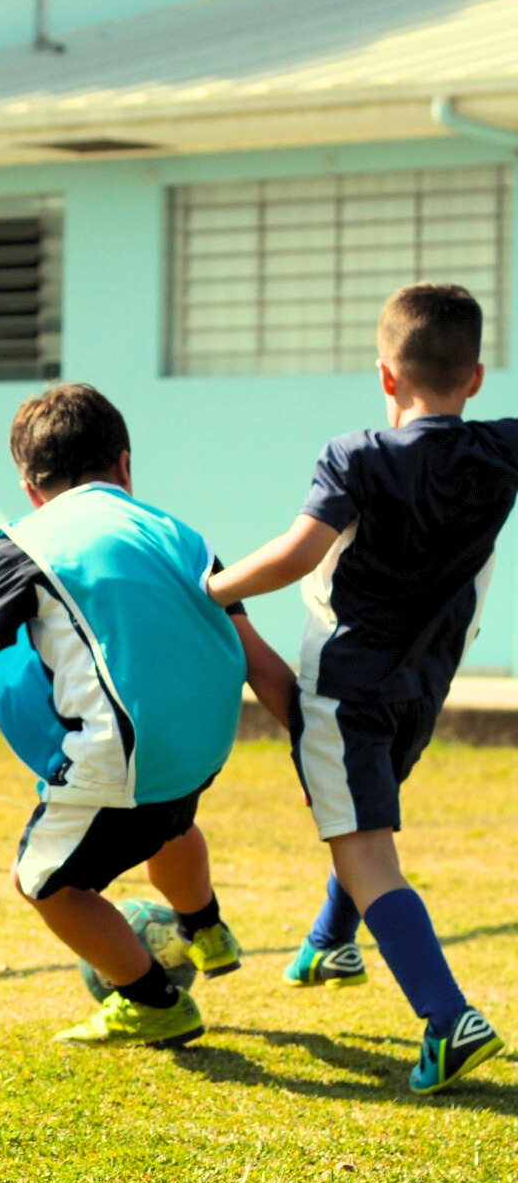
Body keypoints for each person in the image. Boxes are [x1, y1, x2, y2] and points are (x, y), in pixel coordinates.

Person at [0, 383, 295, 1050]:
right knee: (168, 828)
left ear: (31, 490)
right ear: (123, 465)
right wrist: (315, 743)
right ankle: (204, 927)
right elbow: (258, 660)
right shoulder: (179, 534)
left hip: (125, 756)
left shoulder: (23, 543)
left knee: (42, 881)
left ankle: (152, 1001)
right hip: (202, 748)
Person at [208, 282, 515, 1095]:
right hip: (424, 691)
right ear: (475, 376)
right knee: (360, 818)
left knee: (364, 846)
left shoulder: (356, 455)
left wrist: (213, 590)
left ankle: (448, 1019)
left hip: (347, 691)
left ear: (385, 375)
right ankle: (329, 942)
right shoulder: (502, 450)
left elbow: (298, 553)